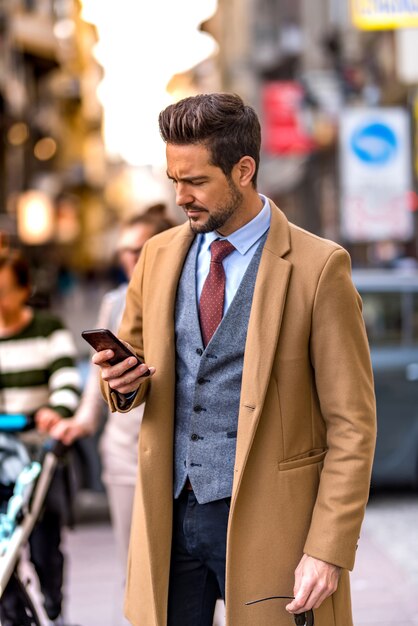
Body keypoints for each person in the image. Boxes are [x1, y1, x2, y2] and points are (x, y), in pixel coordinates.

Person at [94, 93, 377, 626]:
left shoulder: (320, 268)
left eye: (196, 181)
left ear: (244, 170)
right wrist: (123, 382)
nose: (181, 197)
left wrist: (328, 548)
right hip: (170, 517)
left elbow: (353, 424)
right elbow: (130, 374)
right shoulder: (157, 256)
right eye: (174, 179)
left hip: (275, 524)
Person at [50, 206, 175, 572]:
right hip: (124, 448)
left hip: (174, 448)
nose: (129, 259)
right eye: (124, 251)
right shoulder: (114, 301)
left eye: (138, 250)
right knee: (135, 568)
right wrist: (84, 421)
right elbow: (98, 374)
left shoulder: (189, 294)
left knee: (185, 572)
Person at [0, 250, 81, 626]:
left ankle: (53, 608)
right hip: (3, 454)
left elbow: (67, 380)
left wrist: (57, 411)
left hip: (41, 453)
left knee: (44, 544)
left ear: (23, 290)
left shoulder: (48, 328)